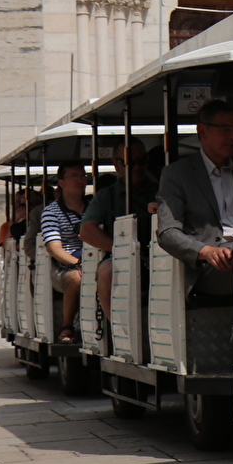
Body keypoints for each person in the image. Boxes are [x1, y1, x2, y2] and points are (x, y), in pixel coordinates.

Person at [156, 100, 233, 298]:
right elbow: (167, 232)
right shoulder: (178, 174)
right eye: (225, 129)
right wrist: (206, 251)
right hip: (209, 267)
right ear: (202, 131)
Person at [79, 139, 159, 334]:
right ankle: (119, 330)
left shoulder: (161, 189)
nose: (138, 167)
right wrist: (120, 249)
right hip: (122, 258)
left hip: (161, 253)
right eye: (131, 162)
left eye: (142, 161)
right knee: (106, 271)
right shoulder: (107, 196)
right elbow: (87, 231)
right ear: (116, 164)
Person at [39, 164, 89, 343]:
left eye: (83, 176)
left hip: (93, 258)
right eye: (74, 176)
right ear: (61, 183)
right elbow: (54, 248)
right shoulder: (51, 212)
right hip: (64, 266)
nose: (81, 180)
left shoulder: (93, 206)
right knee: (77, 277)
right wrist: (78, 263)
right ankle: (67, 327)